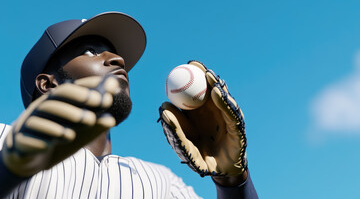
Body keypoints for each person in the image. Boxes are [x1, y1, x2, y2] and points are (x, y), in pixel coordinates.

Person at [0, 12, 258, 198]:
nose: (117, 59)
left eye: (114, 52)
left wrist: (233, 183)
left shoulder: (159, 182)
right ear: (48, 84)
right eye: (91, 51)